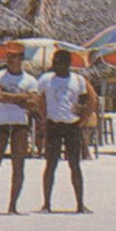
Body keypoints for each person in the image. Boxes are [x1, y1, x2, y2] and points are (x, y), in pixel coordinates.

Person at [0, 43, 36, 214]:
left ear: (21, 58)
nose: (11, 60)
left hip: (20, 124)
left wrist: (8, 97)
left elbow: (33, 103)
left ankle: (13, 205)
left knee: (18, 165)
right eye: (9, 56)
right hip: (0, 123)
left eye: (15, 56)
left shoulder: (30, 80)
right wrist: (22, 98)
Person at [37, 50, 92, 214]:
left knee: (75, 164)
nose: (56, 65)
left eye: (60, 62)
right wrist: (44, 116)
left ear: (68, 64)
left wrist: (82, 114)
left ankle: (80, 203)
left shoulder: (77, 80)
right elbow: (39, 98)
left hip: (71, 125)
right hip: (54, 124)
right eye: (55, 62)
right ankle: (46, 204)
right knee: (51, 164)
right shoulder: (46, 79)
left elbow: (84, 99)